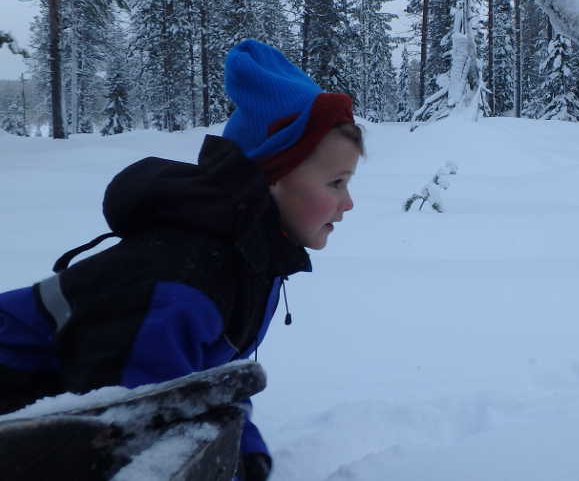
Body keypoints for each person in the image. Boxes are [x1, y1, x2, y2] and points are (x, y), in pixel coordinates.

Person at [0, 39, 361, 480]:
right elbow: (127, 427)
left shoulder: (248, 261)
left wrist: (244, 453)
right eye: (337, 183)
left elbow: (207, 384)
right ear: (272, 180)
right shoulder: (183, 279)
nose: (348, 204)